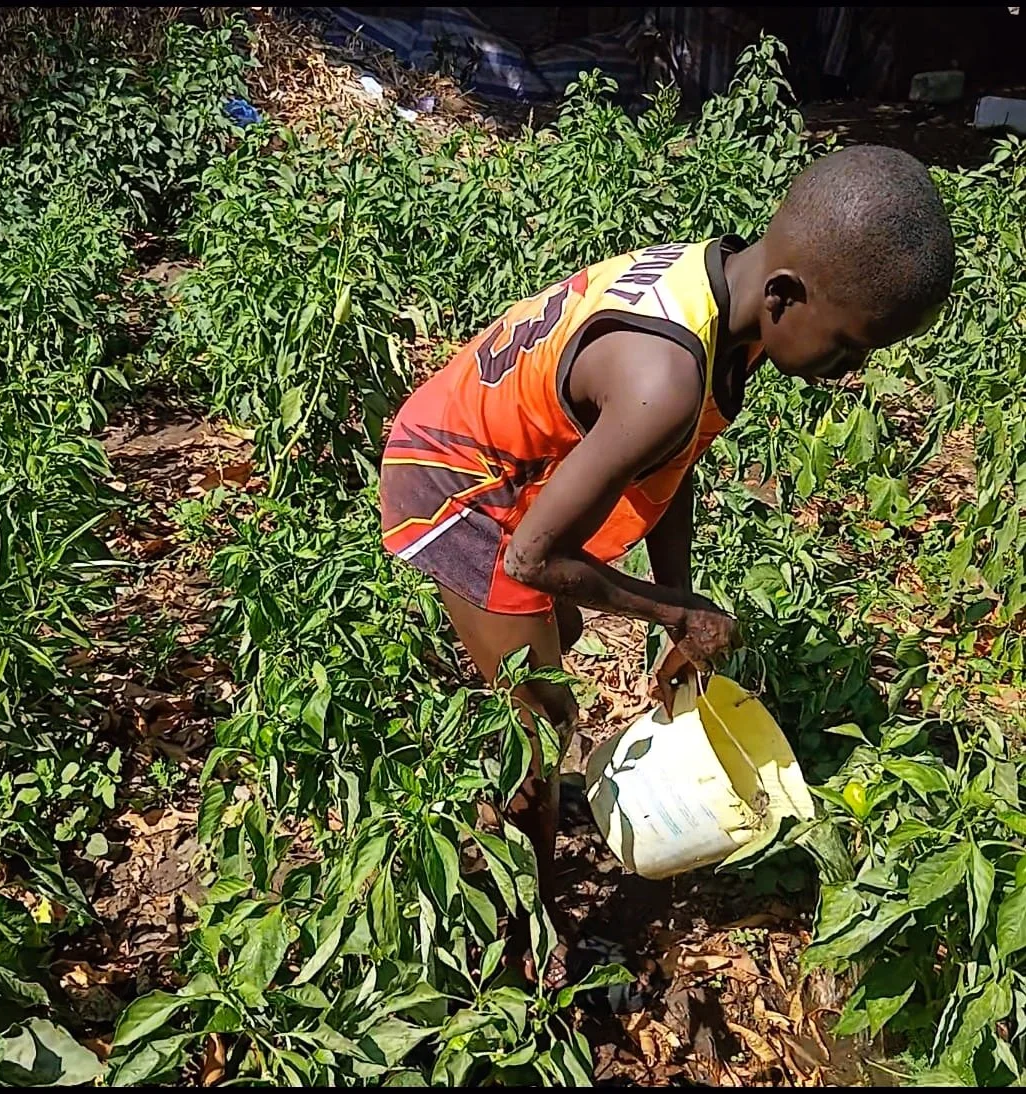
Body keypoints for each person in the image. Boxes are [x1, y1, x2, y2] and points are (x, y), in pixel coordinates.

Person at [379, 144, 955, 985]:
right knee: (541, 726)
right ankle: (524, 937)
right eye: (845, 347)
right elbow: (537, 554)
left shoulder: (726, 298)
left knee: (547, 640)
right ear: (788, 298)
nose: (850, 372)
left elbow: (673, 461)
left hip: (509, 458)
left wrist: (677, 597)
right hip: (456, 482)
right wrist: (673, 614)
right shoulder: (665, 376)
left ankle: (500, 732)